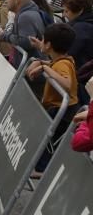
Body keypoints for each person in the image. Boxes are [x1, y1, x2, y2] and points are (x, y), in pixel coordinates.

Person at [27, 23, 79, 176]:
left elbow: (67, 84)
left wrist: (44, 68)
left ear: (49, 45)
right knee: (48, 137)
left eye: (42, 40)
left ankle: (40, 170)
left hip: (63, 110)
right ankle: (39, 166)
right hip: (59, 108)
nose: (41, 42)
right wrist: (42, 62)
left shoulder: (63, 64)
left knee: (49, 139)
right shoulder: (63, 59)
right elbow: (54, 64)